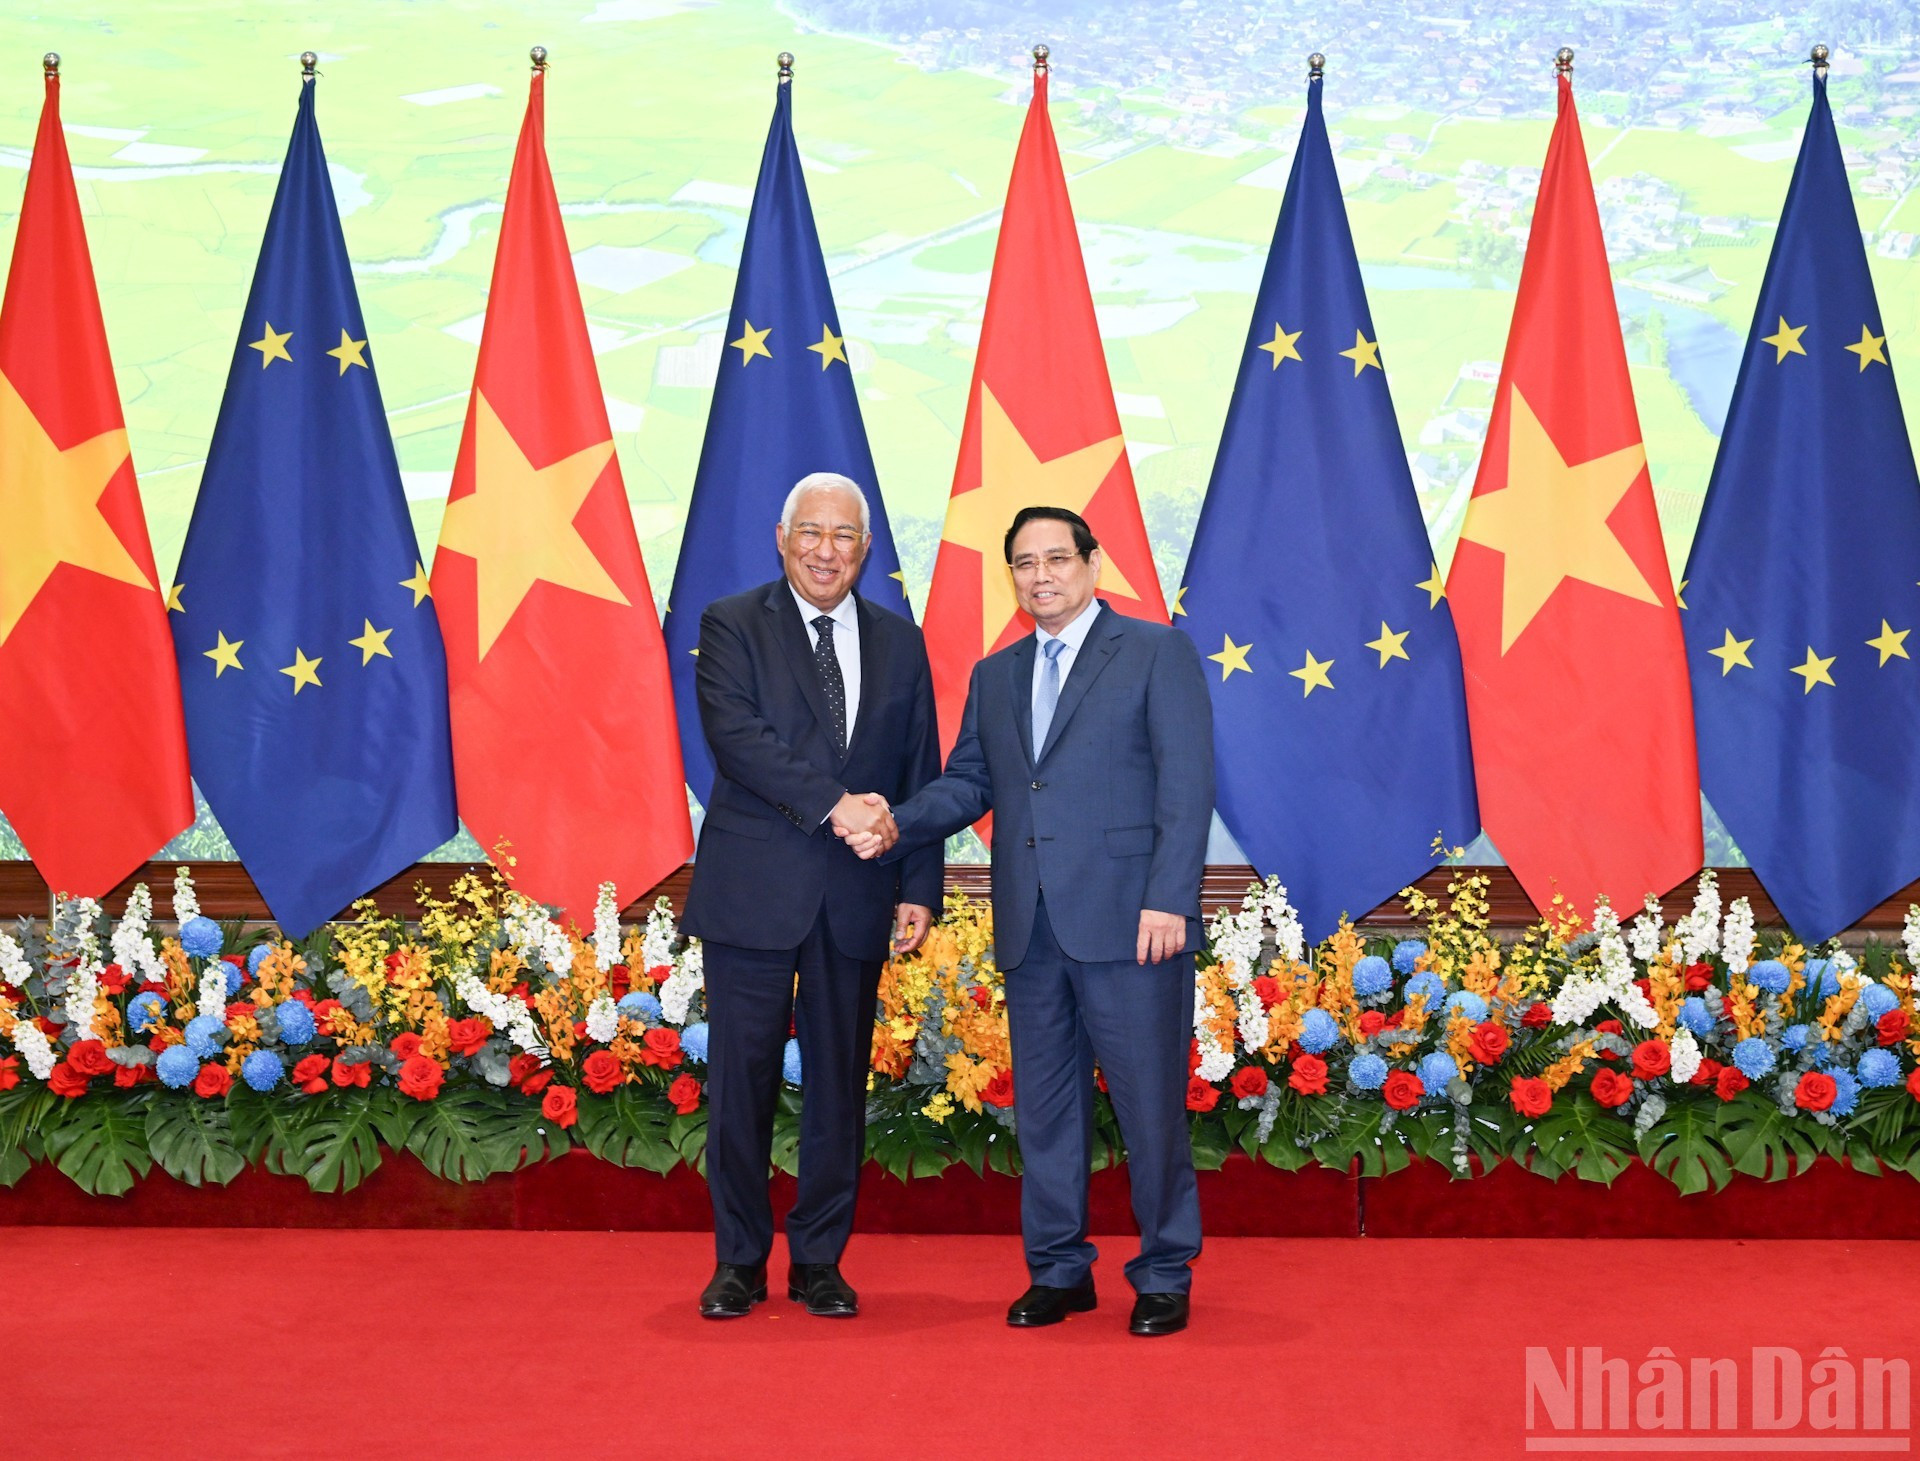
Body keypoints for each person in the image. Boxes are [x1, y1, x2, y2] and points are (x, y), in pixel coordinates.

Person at [844, 505, 1213, 1337]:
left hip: (1131, 923)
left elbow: (1187, 787)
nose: (1040, 575)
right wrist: (898, 820)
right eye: (1023, 563)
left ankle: (1162, 1271)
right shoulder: (997, 672)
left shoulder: (1156, 652)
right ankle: (1057, 1269)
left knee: (1150, 1104)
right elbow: (970, 781)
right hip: (1032, 923)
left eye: (1055, 558)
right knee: (1044, 1109)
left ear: (1092, 562)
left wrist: (1169, 898)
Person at [681, 471, 940, 1321]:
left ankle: (820, 1258)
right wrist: (838, 806)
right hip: (753, 892)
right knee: (741, 1084)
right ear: (783, 538)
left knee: (838, 1088)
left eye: (845, 537)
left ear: (866, 551)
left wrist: (920, 885)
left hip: (857, 895)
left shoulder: (902, 642)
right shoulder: (729, 624)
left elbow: (919, 771)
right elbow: (738, 741)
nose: (827, 550)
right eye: (812, 533)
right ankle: (740, 1261)